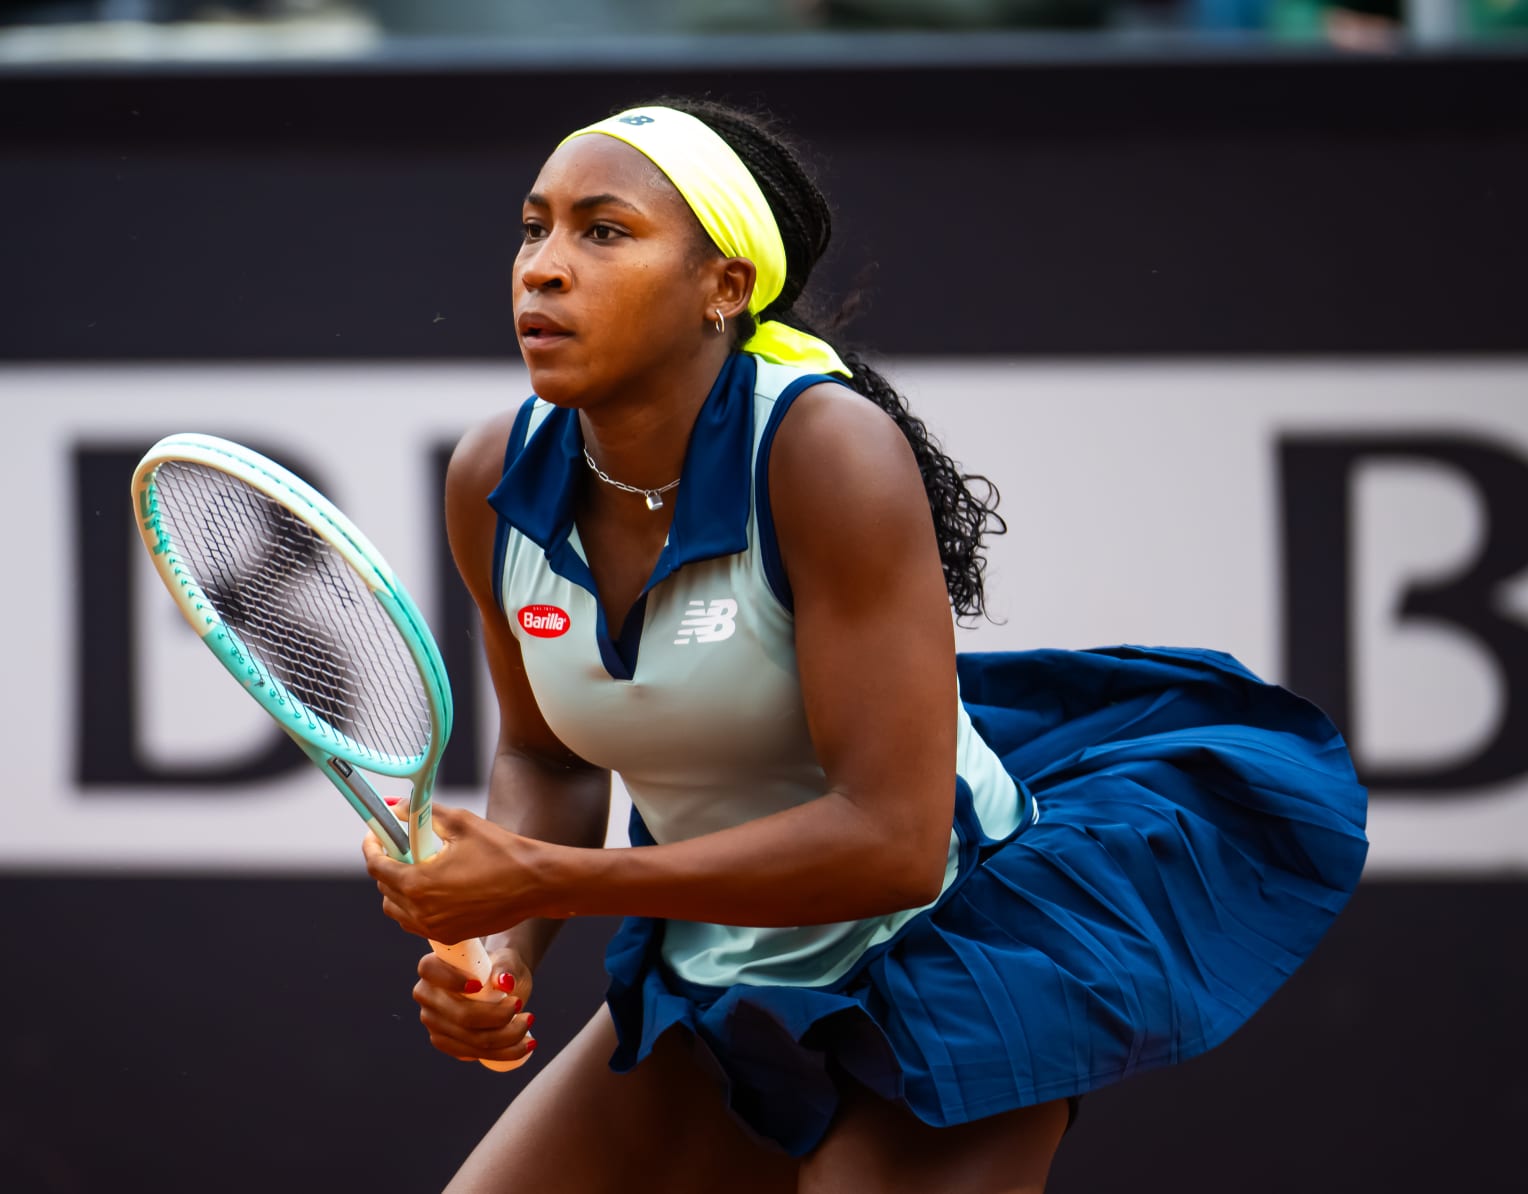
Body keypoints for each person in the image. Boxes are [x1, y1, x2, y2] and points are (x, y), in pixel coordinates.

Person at [363, 99, 1368, 1193]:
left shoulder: (826, 452)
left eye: (604, 231)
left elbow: (892, 844)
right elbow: (550, 758)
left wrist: (552, 879)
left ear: (724, 286)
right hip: (718, 961)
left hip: (943, 948)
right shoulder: (492, 477)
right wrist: (502, 951)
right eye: (534, 227)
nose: (544, 268)